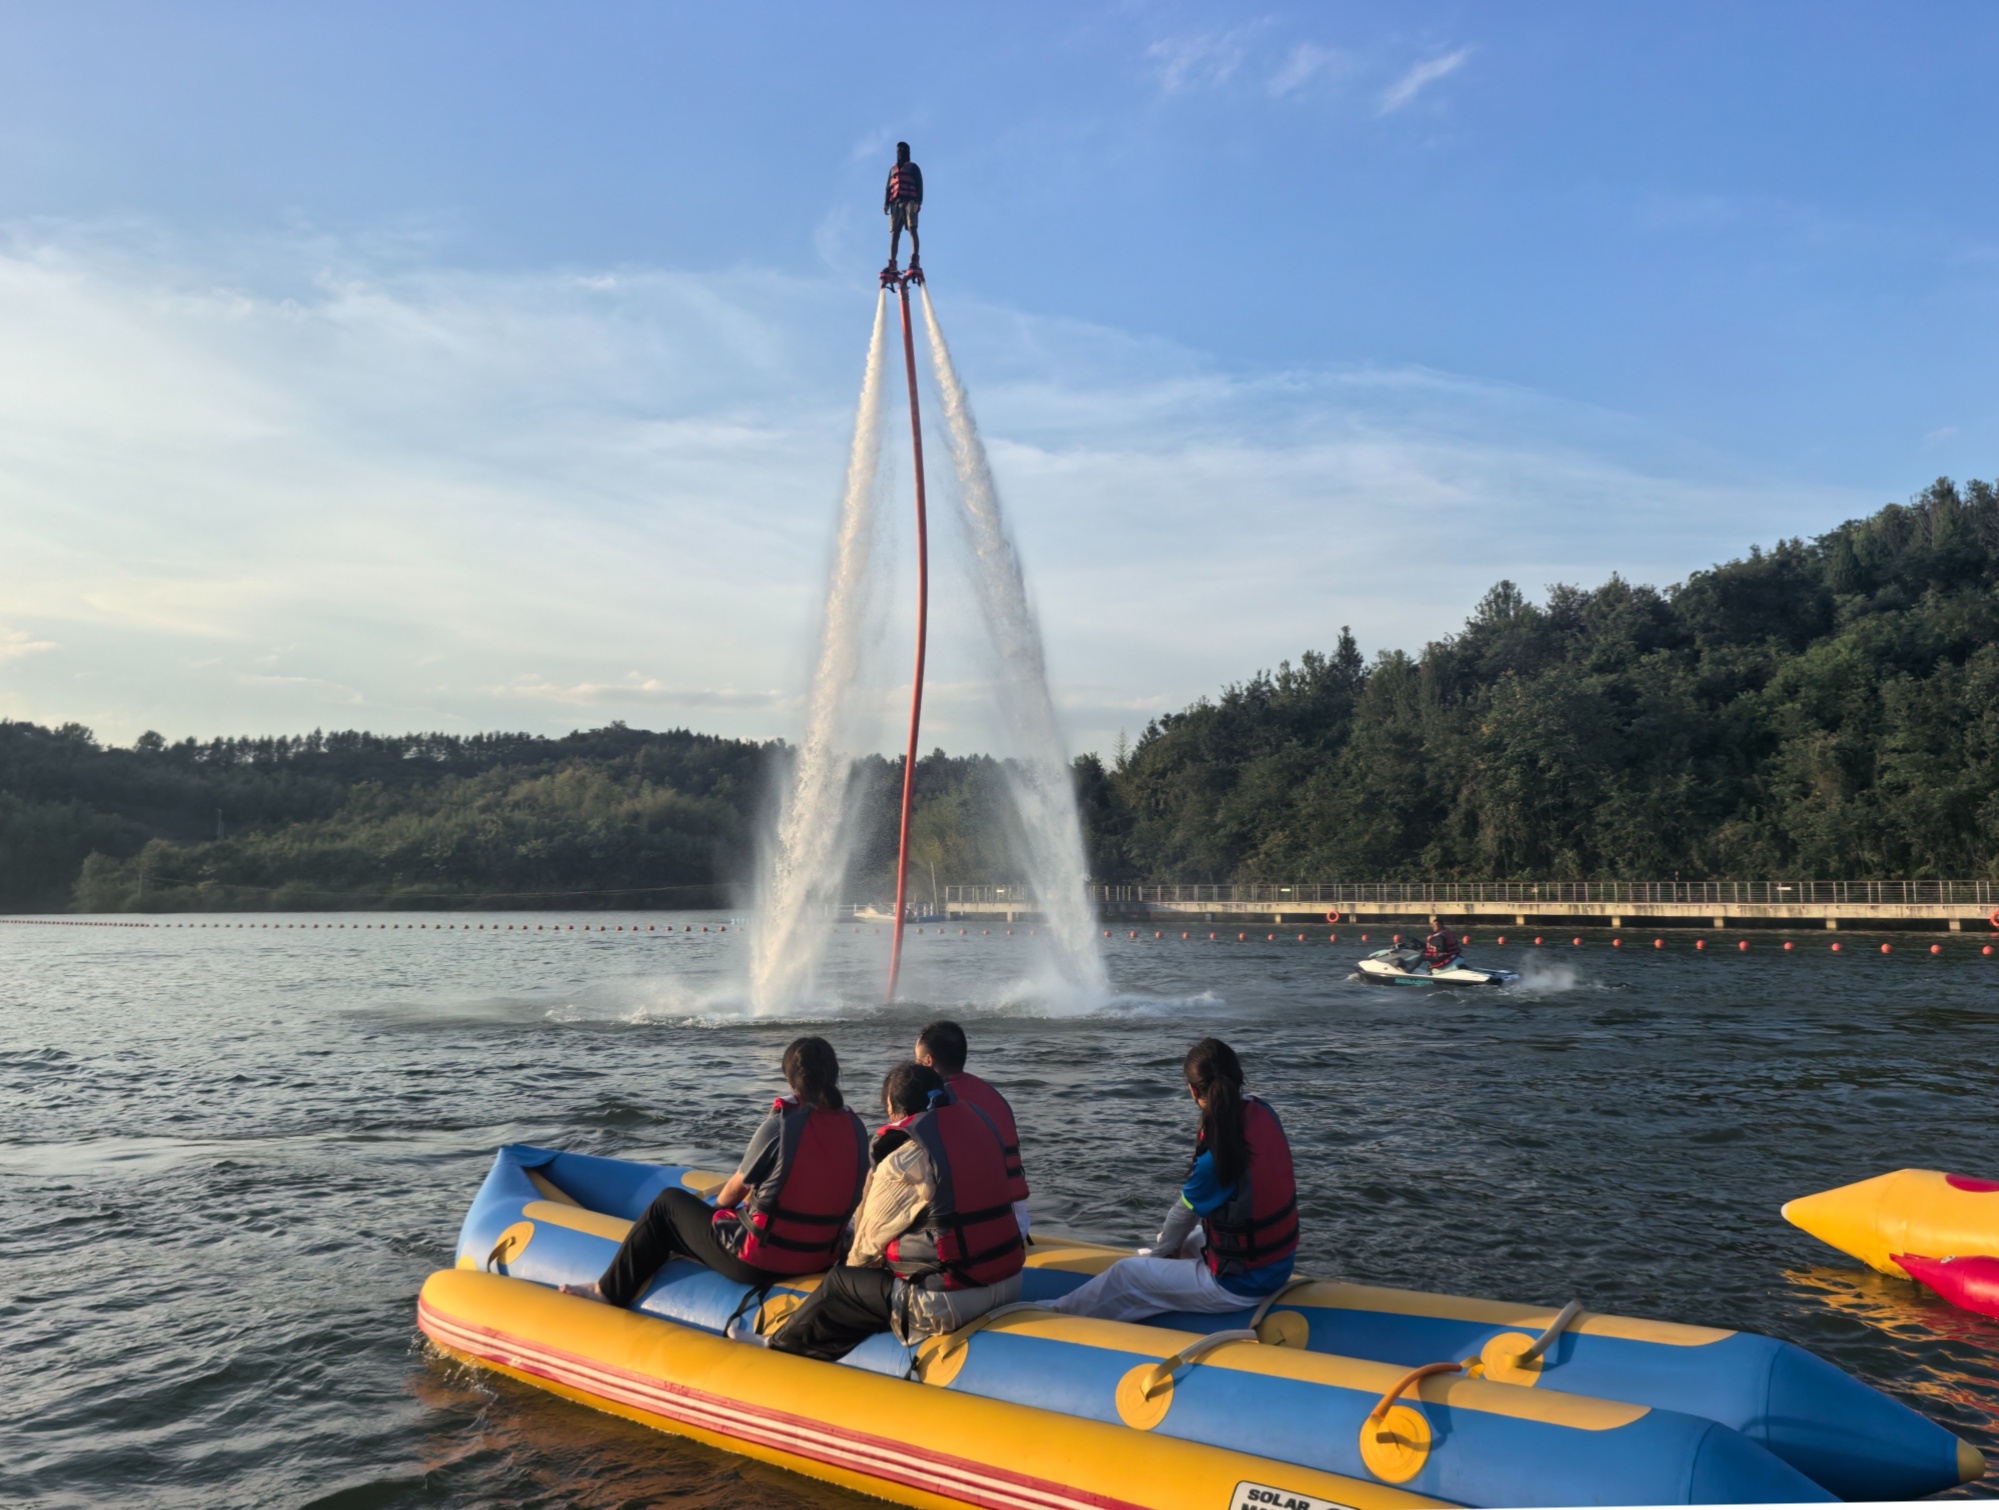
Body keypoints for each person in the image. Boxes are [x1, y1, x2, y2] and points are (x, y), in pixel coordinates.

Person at [561, 1037, 868, 1307]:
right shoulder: (856, 1128)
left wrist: (711, 1221)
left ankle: (607, 1290)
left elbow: (735, 1189)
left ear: (790, 1081)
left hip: (759, 1261)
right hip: (821, 1258)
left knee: (667, 1203)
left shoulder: (780, 1125)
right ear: (834, 1076)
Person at [767, 1062, 1023, 1360]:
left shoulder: (903, 1161)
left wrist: (850, 1276)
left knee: (840, 1283)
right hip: (1011, 1283)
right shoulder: (979, 1133)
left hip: (949, 1302)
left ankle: (775, 1348)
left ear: (895, 1111)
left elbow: (865, 1248)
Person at [1047, 1038, 1296, 1323]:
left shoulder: (1220, 1152)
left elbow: (1182, 1215)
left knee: (1126, 1273)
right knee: (1187, 1242)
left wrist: (1157, 1260)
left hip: (1239, 1285)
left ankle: (1054, 1316)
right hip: (1278, 1265)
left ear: (1192, 1090)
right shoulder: (1264, 1112)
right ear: (1238, 1077)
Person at [914, 1020, 1031, 1236]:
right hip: (1017, 1222)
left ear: (928, 1061)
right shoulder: (992, 1094)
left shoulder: (937, 1103)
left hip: (977, 1226)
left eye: (917, 1060)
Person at [883, 141, 923, 277]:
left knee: (912, 229)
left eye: (903, 149)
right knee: (894, 234)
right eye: (899, 149)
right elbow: (888, 187)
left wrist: (918, 201)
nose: (901, 151)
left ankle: (914, 260)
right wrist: (886, 203)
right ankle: (892, 263)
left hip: (910, 200)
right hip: (895, 203)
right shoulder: (893, 169)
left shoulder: (913, 167)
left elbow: (919, 185)